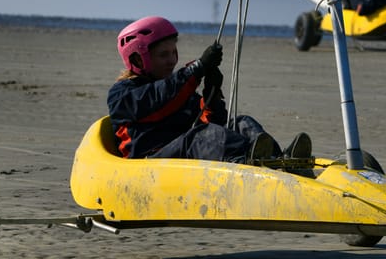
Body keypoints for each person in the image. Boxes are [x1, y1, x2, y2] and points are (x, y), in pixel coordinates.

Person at [107, 16, 311, 164]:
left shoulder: (179, 91)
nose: (172, 60)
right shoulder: (121, 95)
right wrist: (196, 70)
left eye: (173, 53)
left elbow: (214, 122)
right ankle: (245, 164)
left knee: (241, 123)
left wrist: (212, 92)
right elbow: (158, 99)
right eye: (163, 55)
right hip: (146, 163)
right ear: (137, 59)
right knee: (200, 136)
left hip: (181, 155)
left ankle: (278, 161)